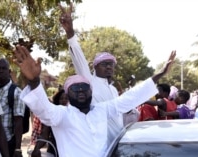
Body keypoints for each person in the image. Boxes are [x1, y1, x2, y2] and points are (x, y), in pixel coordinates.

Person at [12, 44, 175, 157]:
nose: (81, 90)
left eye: (85, 87)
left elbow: (129, 98)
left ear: (91, 91)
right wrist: (34, 81)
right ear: (67, 96)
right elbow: (43, 109)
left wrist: (159, 74)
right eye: (76, 88)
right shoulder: (62, 115)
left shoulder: (101, 110)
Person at [59, 3, 140, 144]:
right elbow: (78, 58)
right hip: (100, 145)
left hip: (118, 145)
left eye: (111, 64)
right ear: (94, 67)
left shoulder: (114, 89)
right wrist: (70, 33)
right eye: (104, 64)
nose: (109, 67)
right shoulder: (89, 81)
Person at [0, 58, 25, 157]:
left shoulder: (16, 91)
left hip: (8, 141)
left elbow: (18, 122)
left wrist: (18, 148)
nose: (1, 71)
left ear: (9, 71)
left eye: (4, 68)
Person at [31, 89, 68, 157]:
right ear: (57, 101)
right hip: (55, 151)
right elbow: (44, 134)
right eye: (61, 98)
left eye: (67, 98)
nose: (64, 100)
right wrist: (37, 148)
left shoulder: (77, 115)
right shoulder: (52, 115)